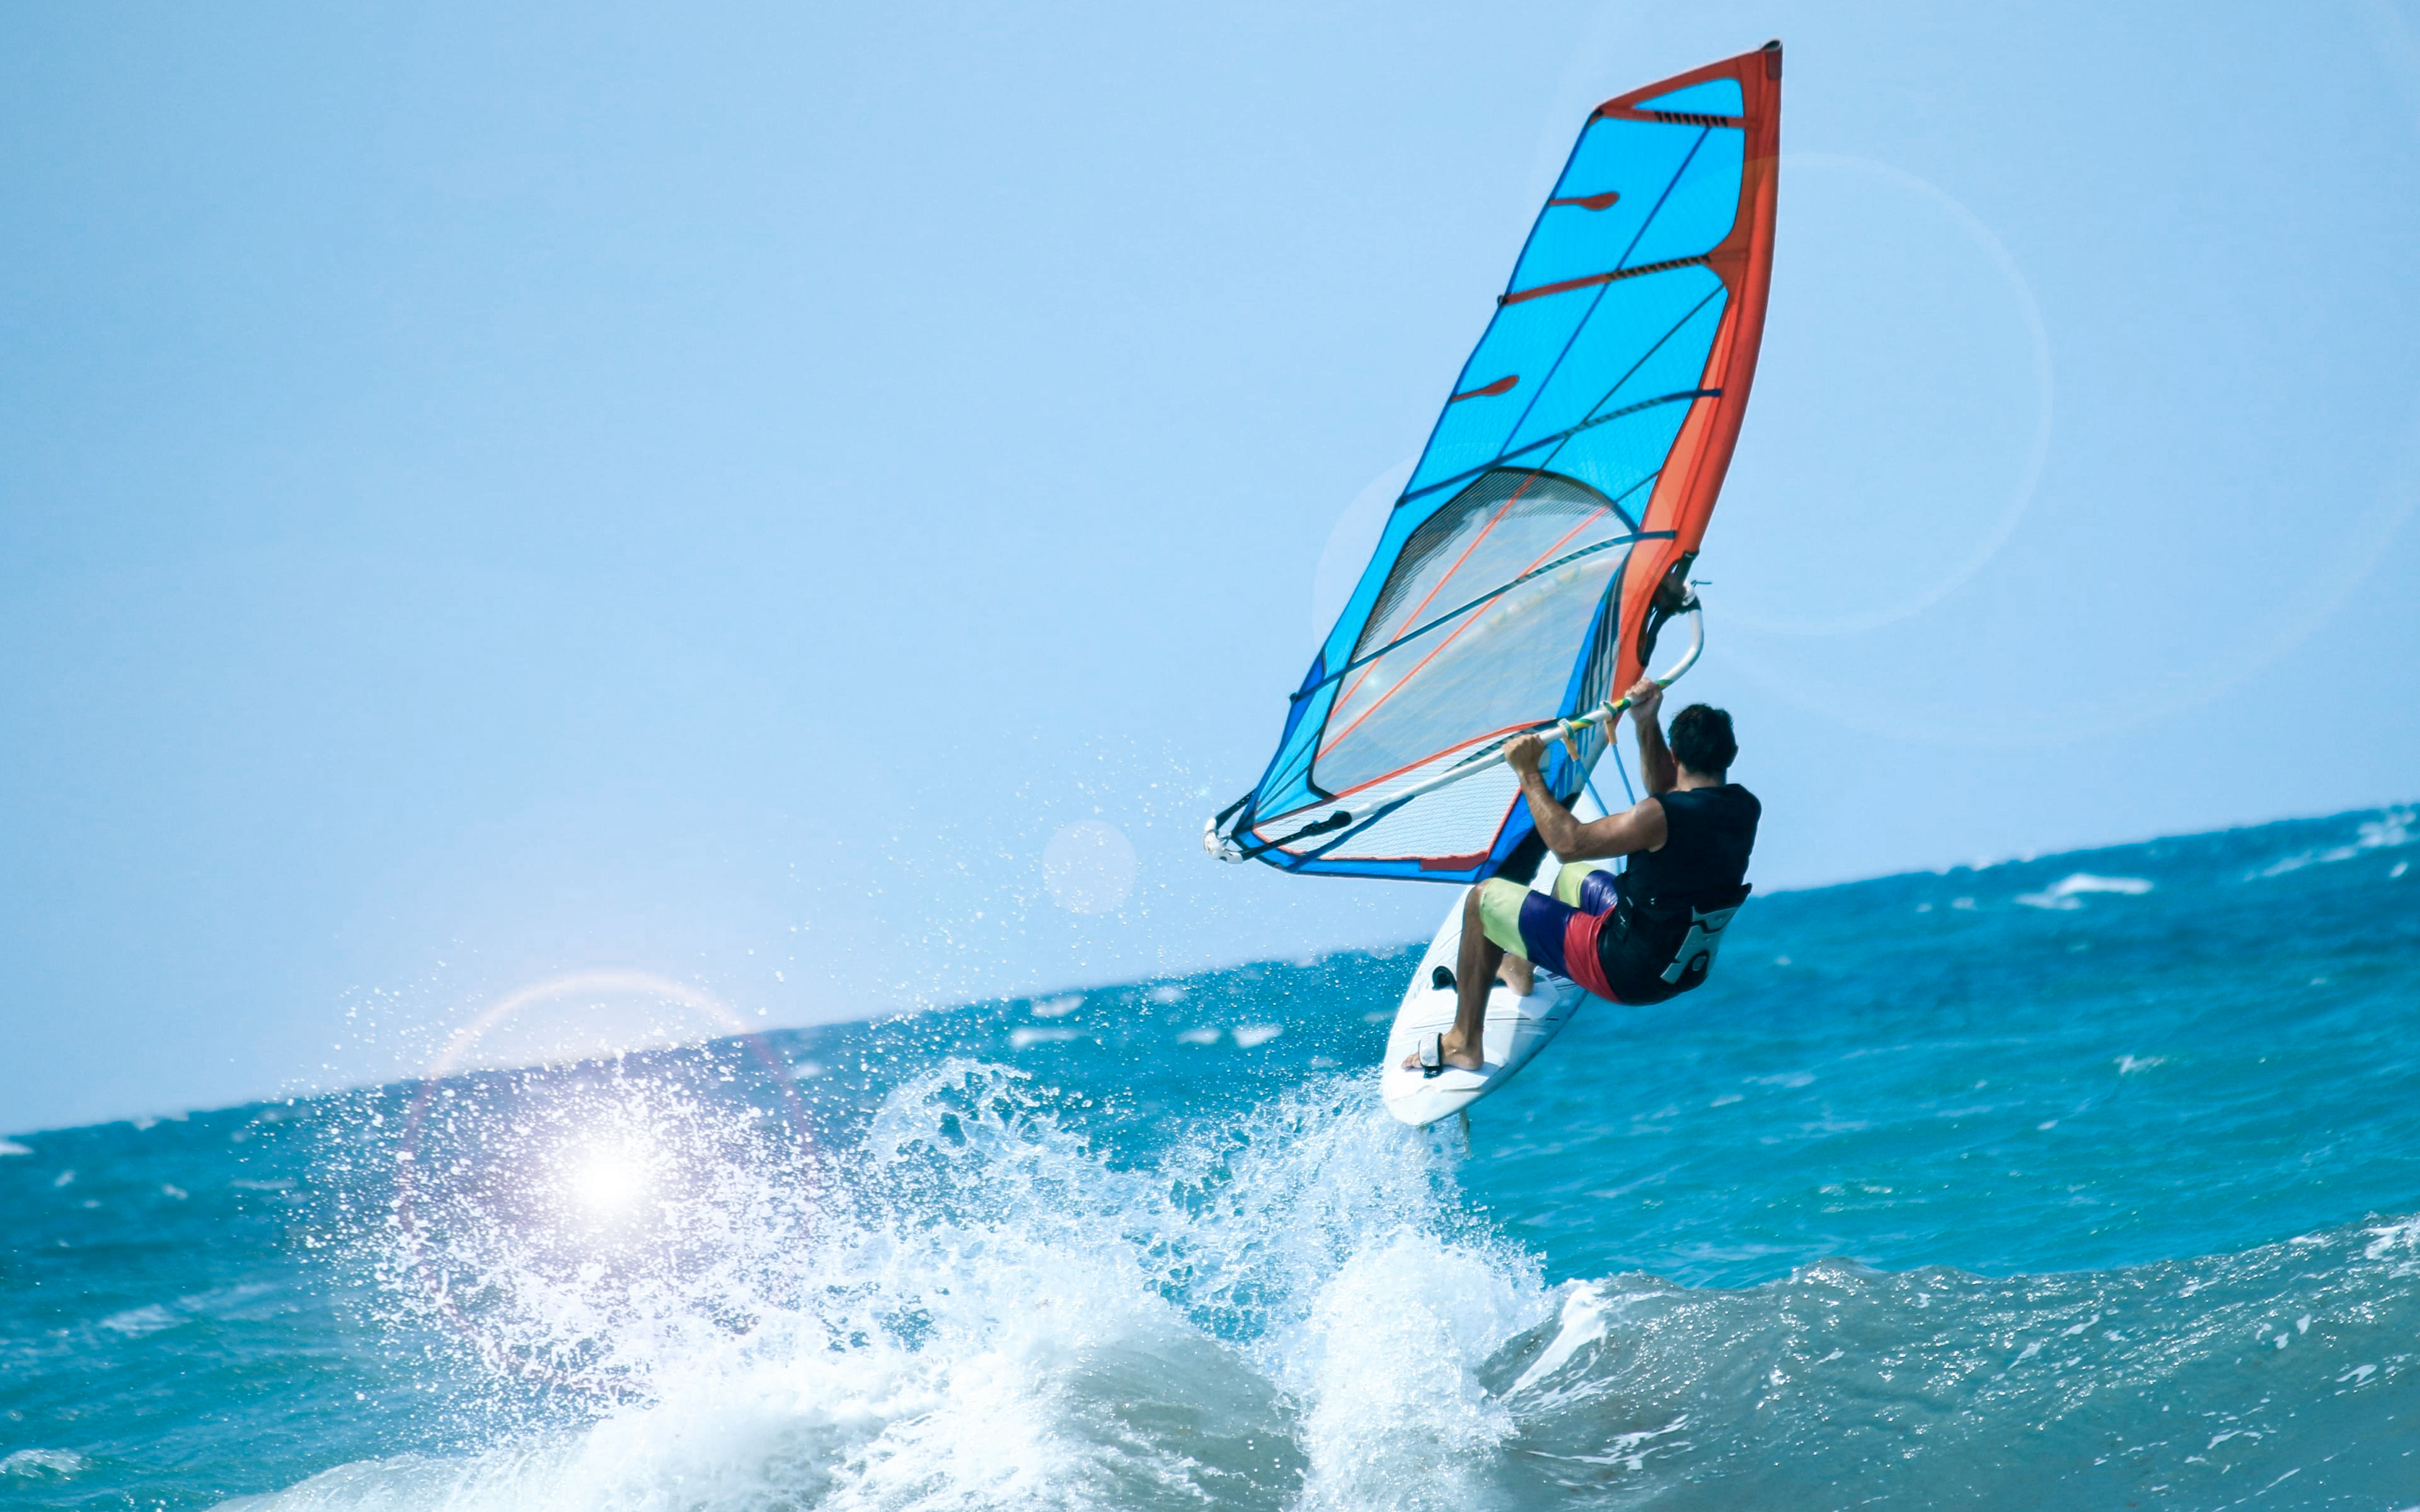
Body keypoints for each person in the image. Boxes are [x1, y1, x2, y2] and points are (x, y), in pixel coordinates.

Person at [1406, 677, 1760, 1075]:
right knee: (1573, 877)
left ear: (1675, 754)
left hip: (1626, 971)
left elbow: (1569, 843)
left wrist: (1528, 774)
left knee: (1483, 900)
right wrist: (1646, 721)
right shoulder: (1744, 807)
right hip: (1683, 965)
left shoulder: (1658, 817)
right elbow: (1670, 793)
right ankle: (1520, 967)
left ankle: (1464, 1041)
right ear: (1732, 754)